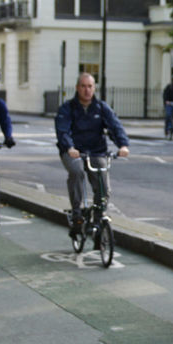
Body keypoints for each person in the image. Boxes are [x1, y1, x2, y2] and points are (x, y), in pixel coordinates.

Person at [55, 72, 130, 237]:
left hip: (96, 151)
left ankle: (98, 219)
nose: (87, 90)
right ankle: (76, 213)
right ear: (77, 88)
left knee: (104, 186)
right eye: (83, 86)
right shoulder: (67, 108)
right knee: (77, 171)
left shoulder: (101, 107)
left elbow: (115, 127)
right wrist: (69, 147)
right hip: (74, 152)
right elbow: (63, 131)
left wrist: (123, 145)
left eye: (90, 86)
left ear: (94, 88)